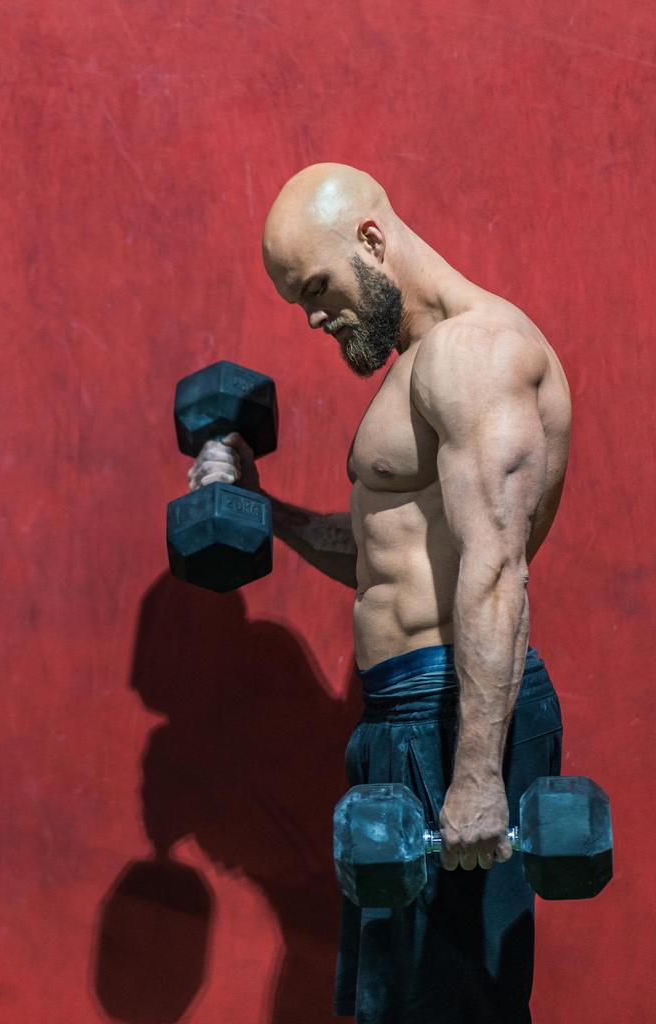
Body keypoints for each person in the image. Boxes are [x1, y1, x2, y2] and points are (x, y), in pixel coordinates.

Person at [188, 163, 571, 1023]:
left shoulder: (476, 355)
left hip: (454, 714)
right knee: (388, 1005)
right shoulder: (419, 366)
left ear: (370, 238)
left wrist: (476, 773)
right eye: (300, 302)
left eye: (317, 288)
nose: (316, 317)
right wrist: (269, 513)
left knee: (454, 1006)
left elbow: (496, 567)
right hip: (398, 718)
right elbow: (380, 556)